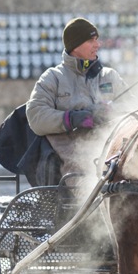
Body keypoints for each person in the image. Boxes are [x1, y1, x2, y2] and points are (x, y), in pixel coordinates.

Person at [25, 17, 128, 178]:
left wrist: (109, 111)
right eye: (91, 40)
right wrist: (71, 119)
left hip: (111, 153)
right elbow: (36, 116)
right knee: (85, 178)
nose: (97, 45)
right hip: (70, 164)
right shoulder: (53, 77)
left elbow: (134, 106)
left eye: (97, 39)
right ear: (75, 45)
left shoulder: (109, 76)